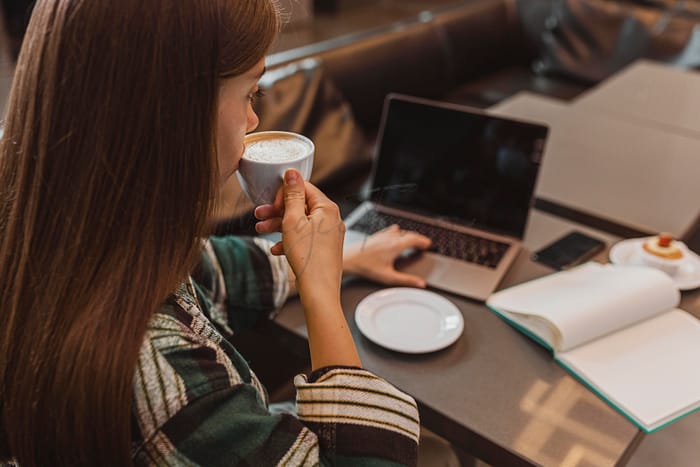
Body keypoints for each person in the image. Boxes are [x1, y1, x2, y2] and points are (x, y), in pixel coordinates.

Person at [0, 0, 435, 465]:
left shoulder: (66, 235)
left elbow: (208, 267)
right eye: (250, 94)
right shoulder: (164, 382)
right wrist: (323, 297)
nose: (253, 122)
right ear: (172, 114)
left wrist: (344, 258)